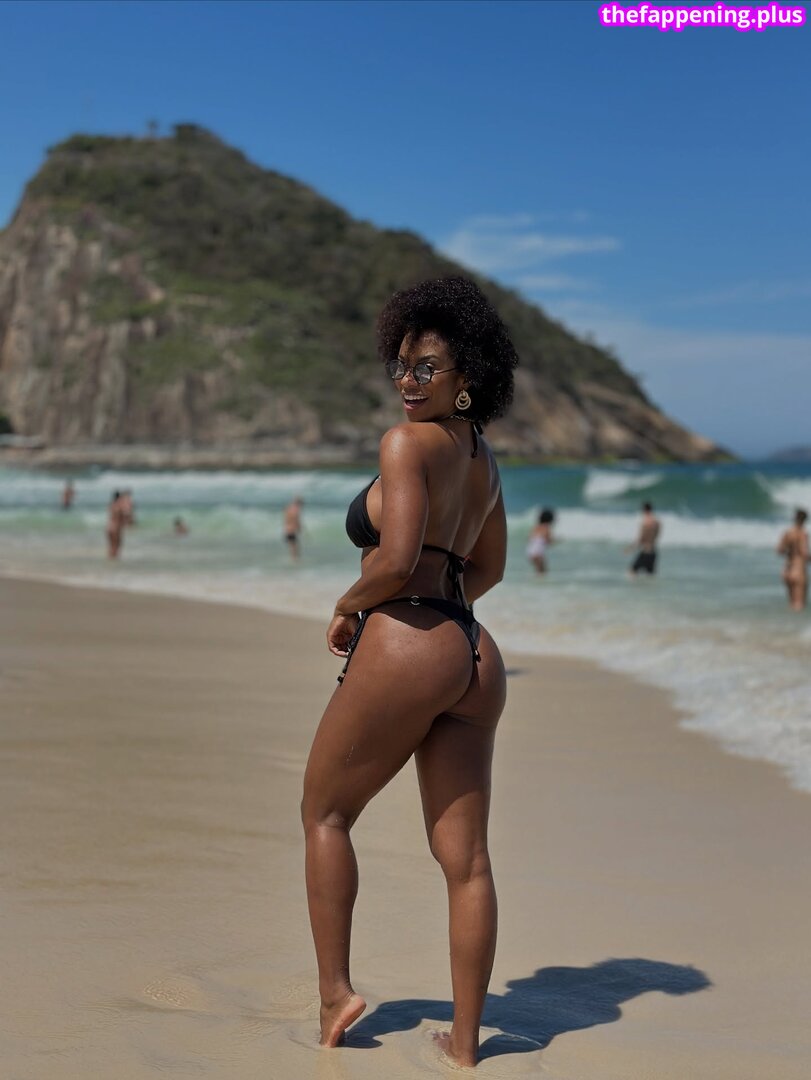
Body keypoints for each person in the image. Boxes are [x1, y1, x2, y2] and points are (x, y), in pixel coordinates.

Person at [301, 277, 517, 1067]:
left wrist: (348, 605)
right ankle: (464, 1043)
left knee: (324, 816)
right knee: (467, 862)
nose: (407, 381)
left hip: (408, 639)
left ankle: (335, 994)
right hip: (473, 652)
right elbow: (488, 568)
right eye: (399, 365)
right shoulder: (483, 461)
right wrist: (440, 618)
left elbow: (394, 560)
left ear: (467, 378)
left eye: (426, 368)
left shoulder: (404, 445)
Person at [777, 508, 809, 611]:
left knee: (791, 605)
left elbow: (779, 550)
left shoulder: (788, 533)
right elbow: (804, 553)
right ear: (805, 520)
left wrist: (790, 551)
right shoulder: (802, 533)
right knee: (799, 605)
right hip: (799, 570)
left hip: (787, 570)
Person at [628, 501, 661, 576]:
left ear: (644, 510)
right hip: (653, 552)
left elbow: (641, 539)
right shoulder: (657, 522)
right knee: (650, 575)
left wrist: (630, 548)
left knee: (632, 571)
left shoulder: (645, 522)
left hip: (645, 552)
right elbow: (656, 535)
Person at [526, 507, 555, 574]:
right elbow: (549, 540)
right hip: (538, 552)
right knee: (542, 571)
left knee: (538, 570)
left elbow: (529, 538)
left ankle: (535, 580)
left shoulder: (536, 527)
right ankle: (539, 580)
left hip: (530, 551)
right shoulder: (546, 527)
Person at [106, 491, 126, 559]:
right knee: (116, 546)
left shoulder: (111, 505)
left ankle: (110, 561)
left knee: (111, 546)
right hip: (116, 528)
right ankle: (114, 561)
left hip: (109, 527)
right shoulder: (120, 506)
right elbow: (123, 517)